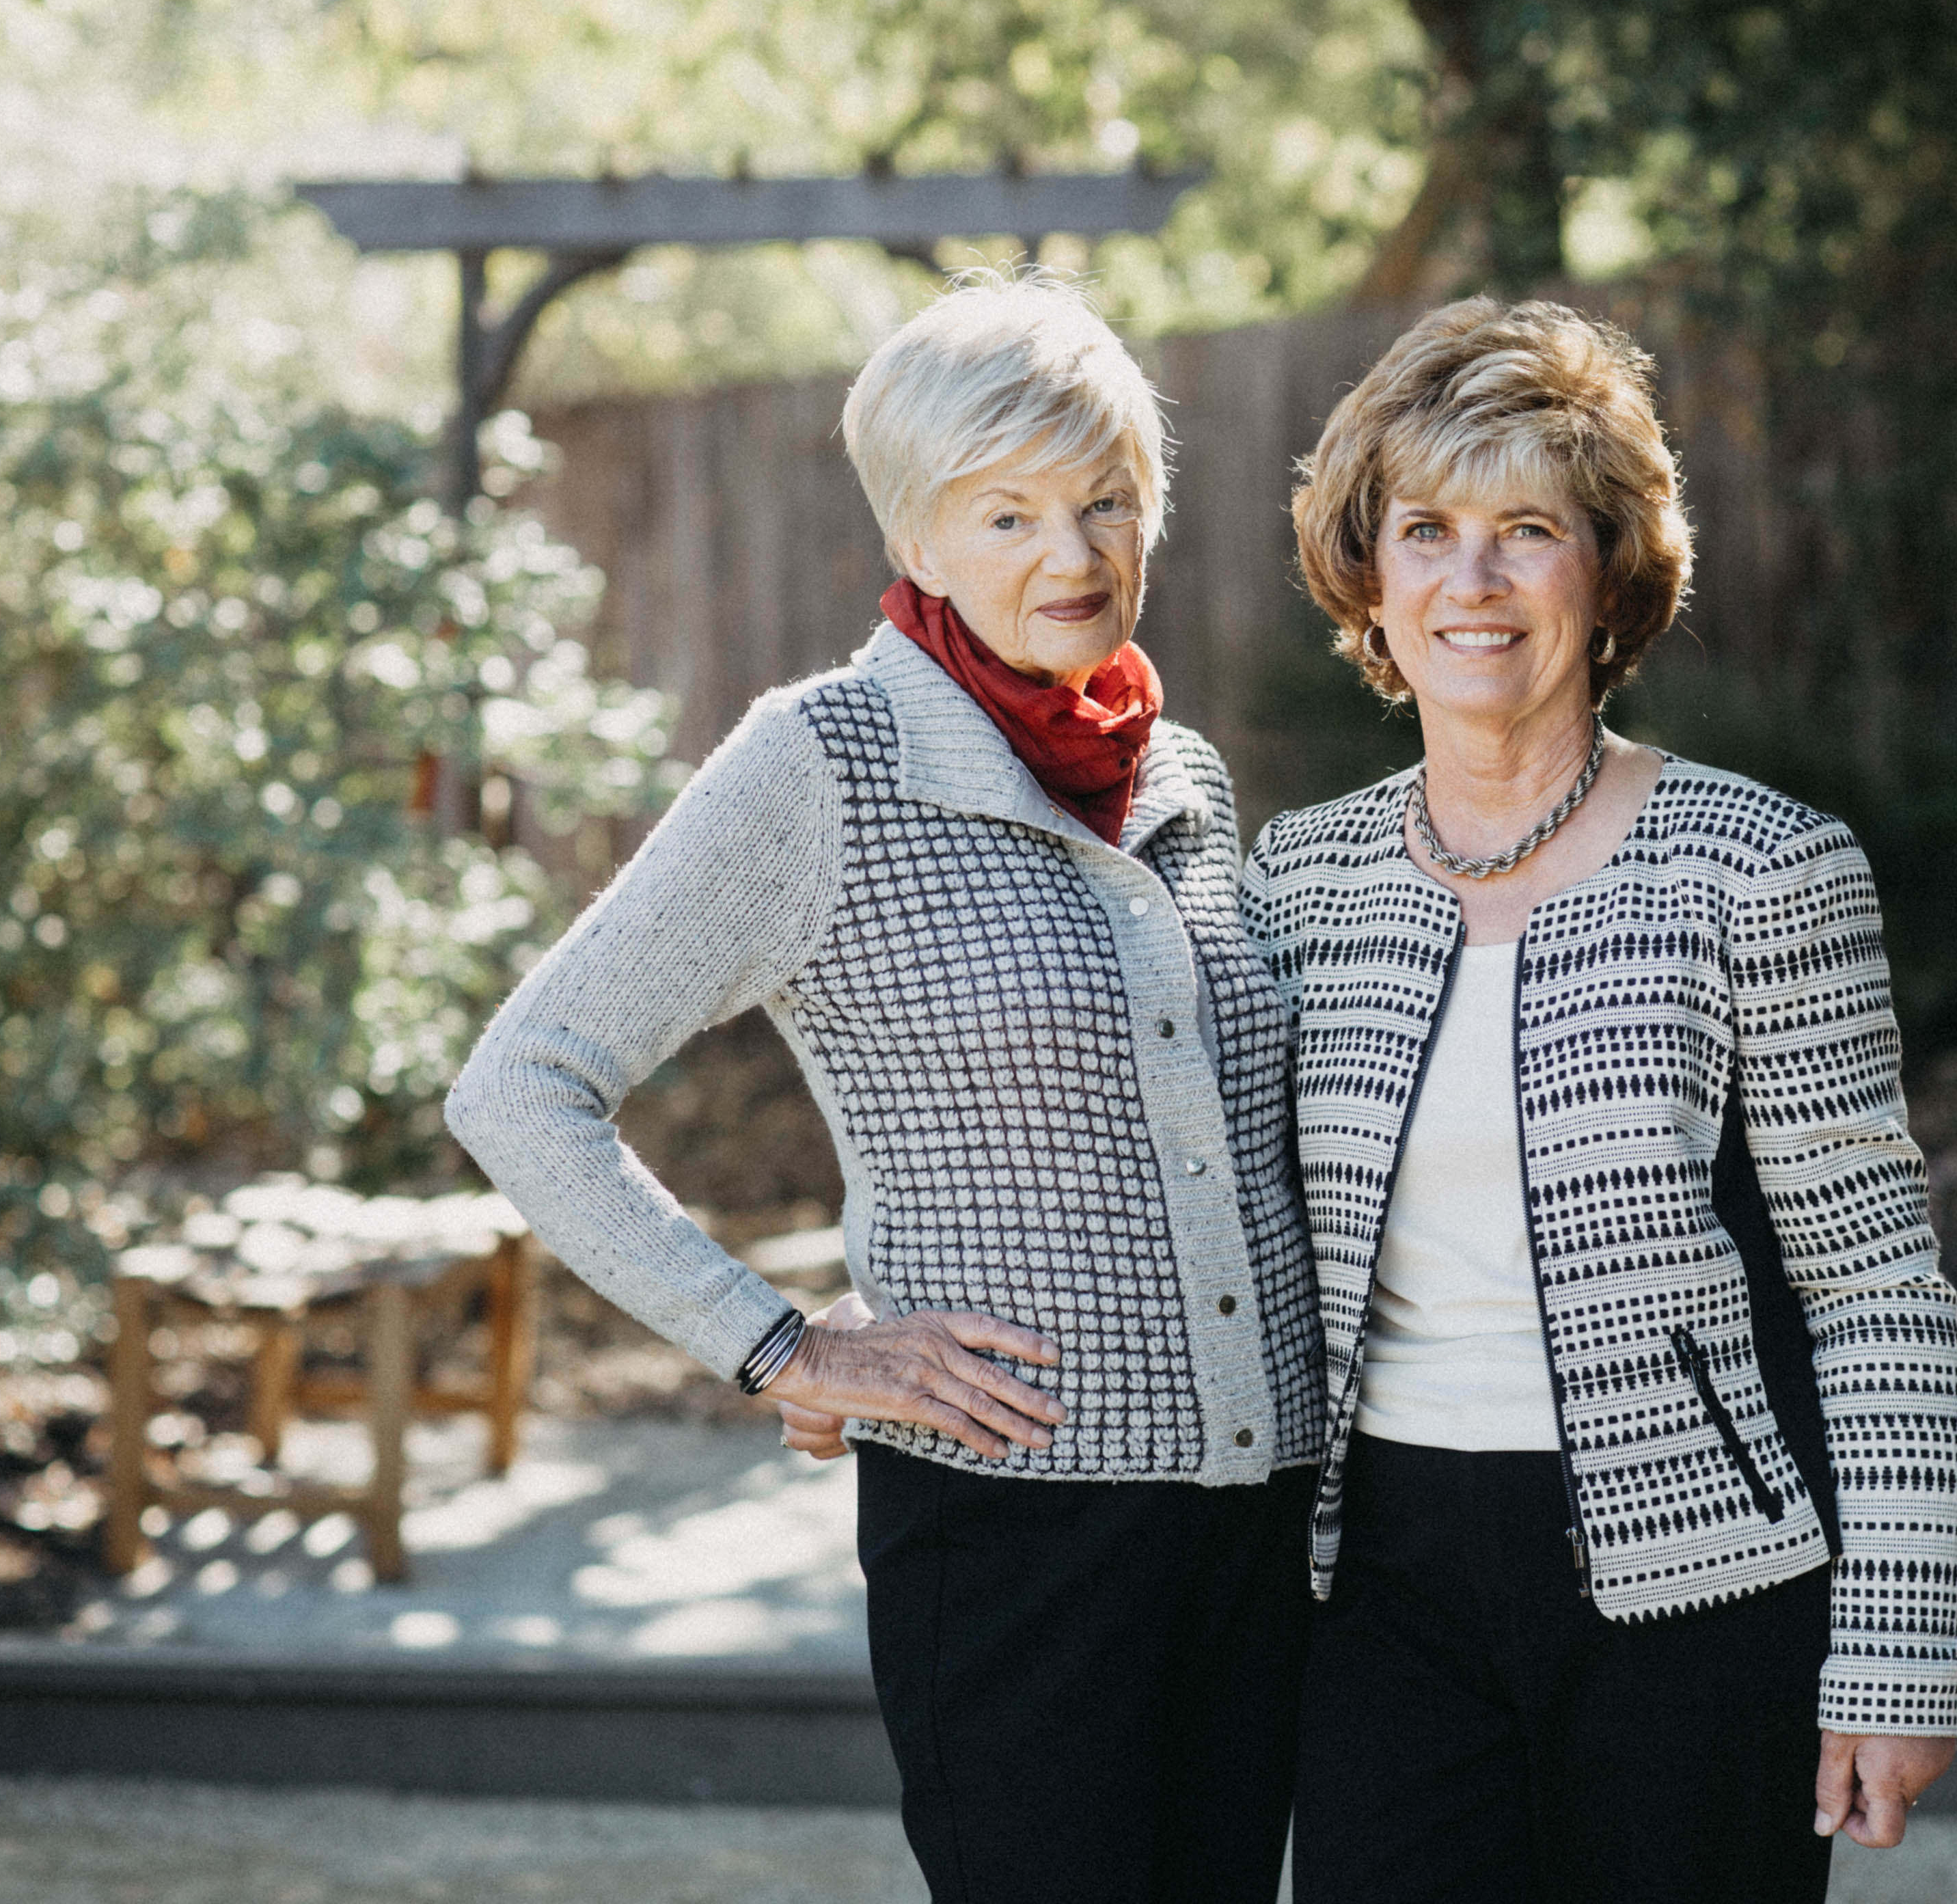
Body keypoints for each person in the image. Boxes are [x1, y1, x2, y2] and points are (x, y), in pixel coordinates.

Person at [444, 273, 1324, 1904]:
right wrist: (784, 1341)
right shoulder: (821, 764)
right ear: (916, 532)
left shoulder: (1176, 768)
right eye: (1007, 513)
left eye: (1106, 501)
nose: (1071, 555)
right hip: (1017, 1534)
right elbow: (523, 1083)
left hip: (1260, 1519)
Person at [1242, 297, 1957, 1903]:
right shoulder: (1295, 883)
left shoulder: (1760, 866)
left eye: (1528, 530)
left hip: (1701, 1591)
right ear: (1369, 572)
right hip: (1378, 1594)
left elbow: (1875, 1285)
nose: (1473, 581)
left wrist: (1901, 1642)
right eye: (1426, 529)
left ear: (1611, 565)